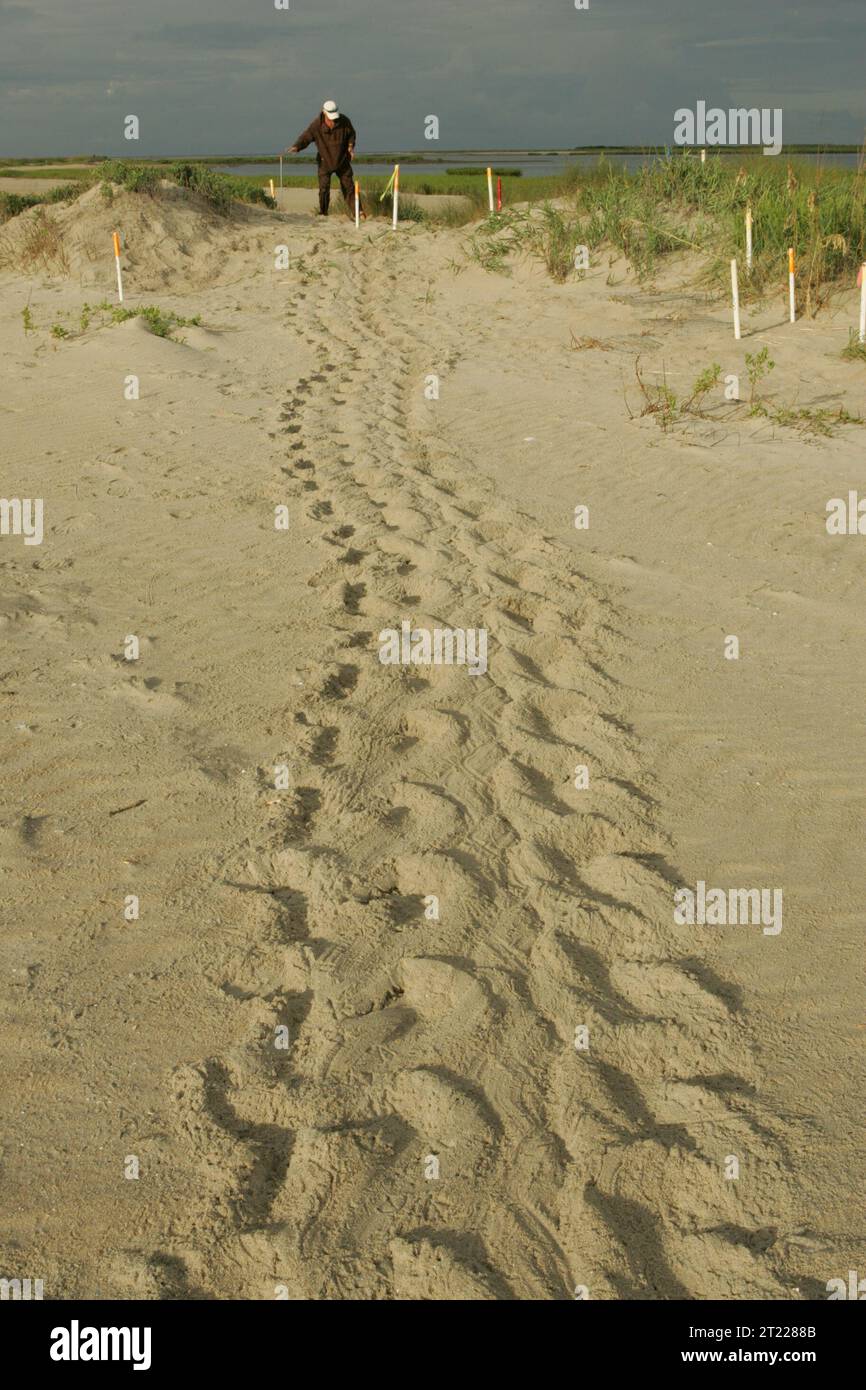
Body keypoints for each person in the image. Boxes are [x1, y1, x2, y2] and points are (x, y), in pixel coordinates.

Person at [287, 100, 365, 218]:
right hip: (325, 161)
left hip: (342, 160)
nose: (333, 120)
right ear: (324, 112)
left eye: (334, 117)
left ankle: (358, 212)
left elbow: (352, 134)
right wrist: (296, 147)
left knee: (349, 187)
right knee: (324, 188)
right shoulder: (316, 125)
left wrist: (350, 147)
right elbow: (306, 137)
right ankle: (323, 213)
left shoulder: (344, 121)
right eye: (330, 117)